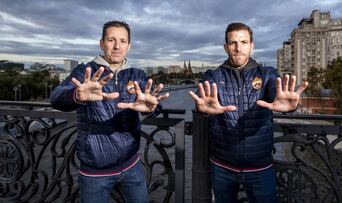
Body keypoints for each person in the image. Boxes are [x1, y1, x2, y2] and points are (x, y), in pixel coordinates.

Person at [50, 21, 169, 203]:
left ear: (129, 46)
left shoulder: (135, 75)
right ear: (102, 43)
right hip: (95, 172)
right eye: (111, 39)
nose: (116, 46)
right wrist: (77, 95)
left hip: (132, 165)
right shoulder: (85, 71)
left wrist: (152, 109)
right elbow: (56, 97)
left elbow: (151, 102)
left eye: (122, 41)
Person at [189, 22, 308, 203]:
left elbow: (280, 96)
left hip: (260, 168)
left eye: (243, 42)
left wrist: (292, 106)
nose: (238, 48)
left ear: (252, 46)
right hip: (222, 166)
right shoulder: (214, 76)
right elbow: (201, 101)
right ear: (225, 47)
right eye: (233, 43)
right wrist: (202, 110)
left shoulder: (267, 74)